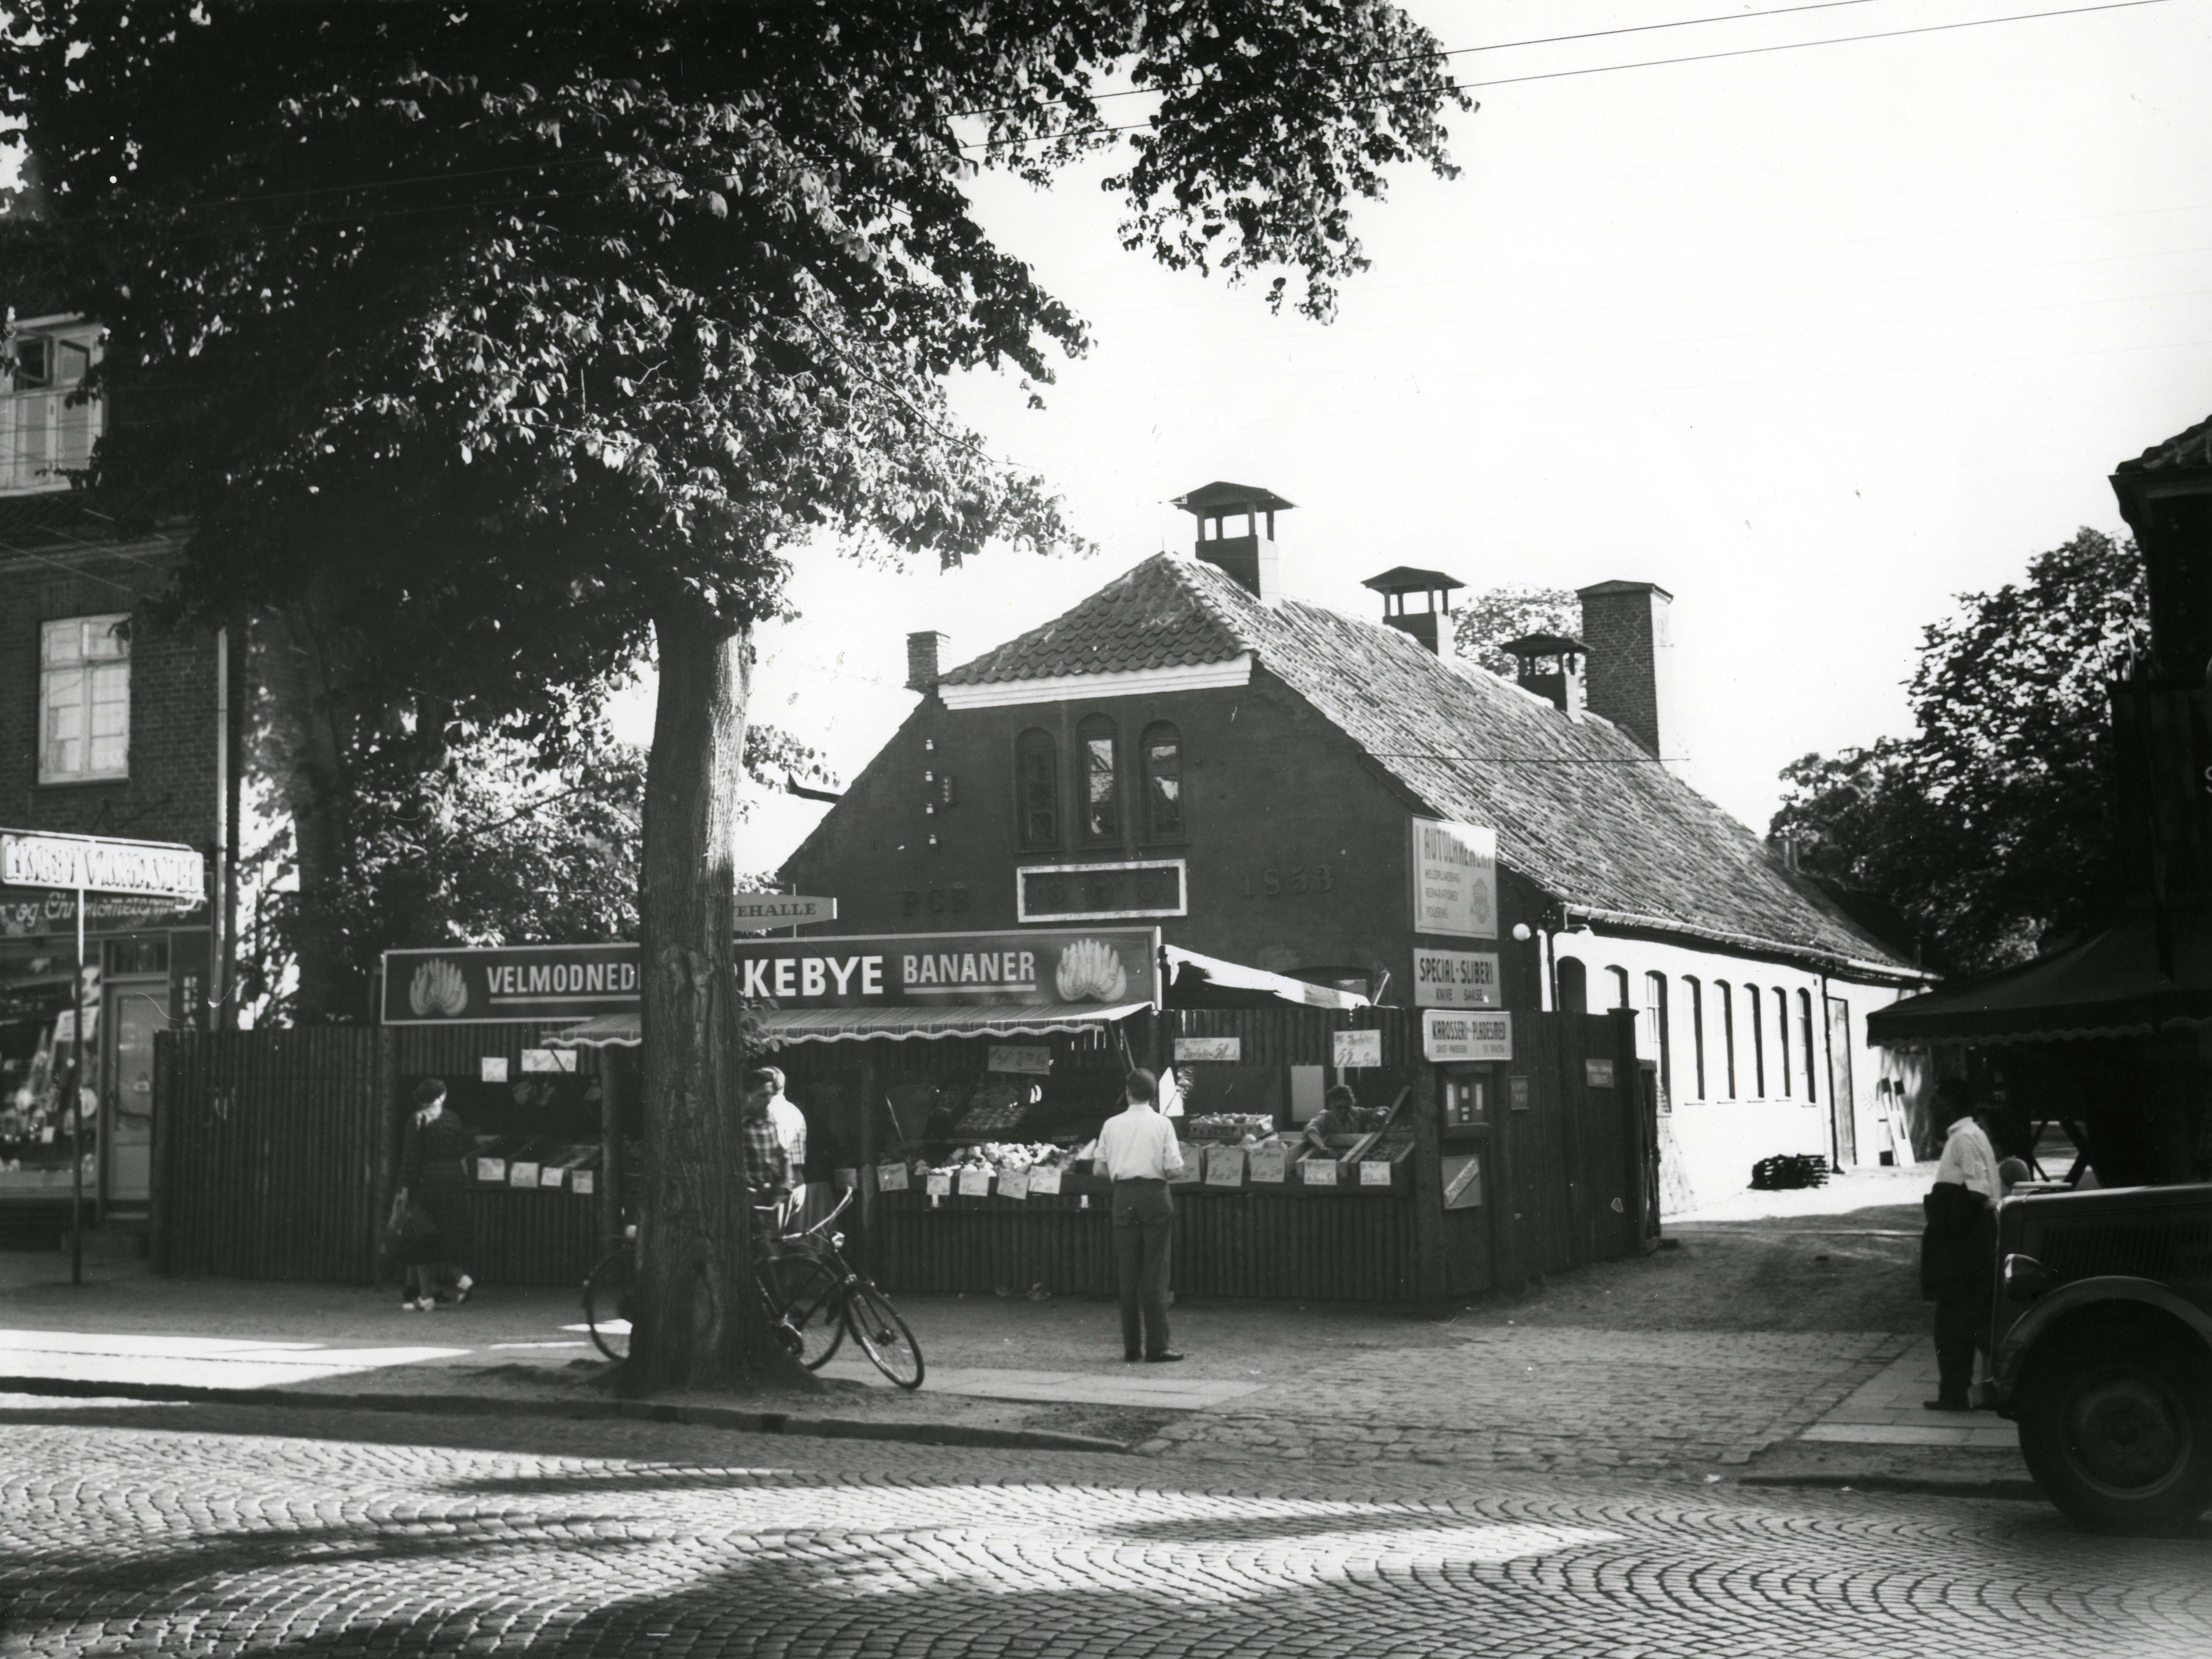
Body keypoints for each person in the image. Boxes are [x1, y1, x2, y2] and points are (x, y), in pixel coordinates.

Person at [1096, 1068, 1185, 1364]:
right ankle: (1158, 1346)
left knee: (1128, 1273)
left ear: (1127, 1091)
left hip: (1123, 1197)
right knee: (1156, 1270)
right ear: (1153, 1094)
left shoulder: (1111, 1124)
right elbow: (1174, 1169)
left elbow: (1098, 1169)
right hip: (1155, 1196)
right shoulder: (1162, 1125)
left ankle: (1131, 1348)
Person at [1920, 1079, 1997, 1410]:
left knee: (1957, 1322)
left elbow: (1978, 1189)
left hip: (1964, 1241)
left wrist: (1949, 1227)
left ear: (1951, 1103)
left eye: (1936, 1099)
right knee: (1967, 1321)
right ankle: (1956, 1393)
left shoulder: (1964, 1139)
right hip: (1971, 1237)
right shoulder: (1968, 1135)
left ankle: (1957, 1393)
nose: (1932, 1105)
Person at [397, 1078, 475, 1312]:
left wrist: (404, 1188)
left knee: (422, 1235)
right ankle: (461, 1279)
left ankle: (427, 1296)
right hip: (453, 1179)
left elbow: (411, 1158)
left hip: (427, 1180)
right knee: (448, 1232)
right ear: (441, 1096)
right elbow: (462, 1150)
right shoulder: (453, 1118)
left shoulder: (417, 1120)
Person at [740, 1067, 797, 1251]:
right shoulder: (737, 1124)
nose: (768, 1101)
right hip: (745, 1203)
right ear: (746, 1095)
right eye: (762, 1096)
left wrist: (785, 1184)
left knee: (774, 1253)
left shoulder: (772, 1121)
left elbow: (784, 1156)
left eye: (770, 1095)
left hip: (769, 1202)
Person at [1301, 1084, 1361, 1158]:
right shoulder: (1326, 1117)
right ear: (1332, 1105)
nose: (1344, 1111)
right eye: (1340, 1108)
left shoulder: (1353, 1113)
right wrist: (1324, 1149)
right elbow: (1311, 1130)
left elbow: (1373, 1112)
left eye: (1347, 1107)